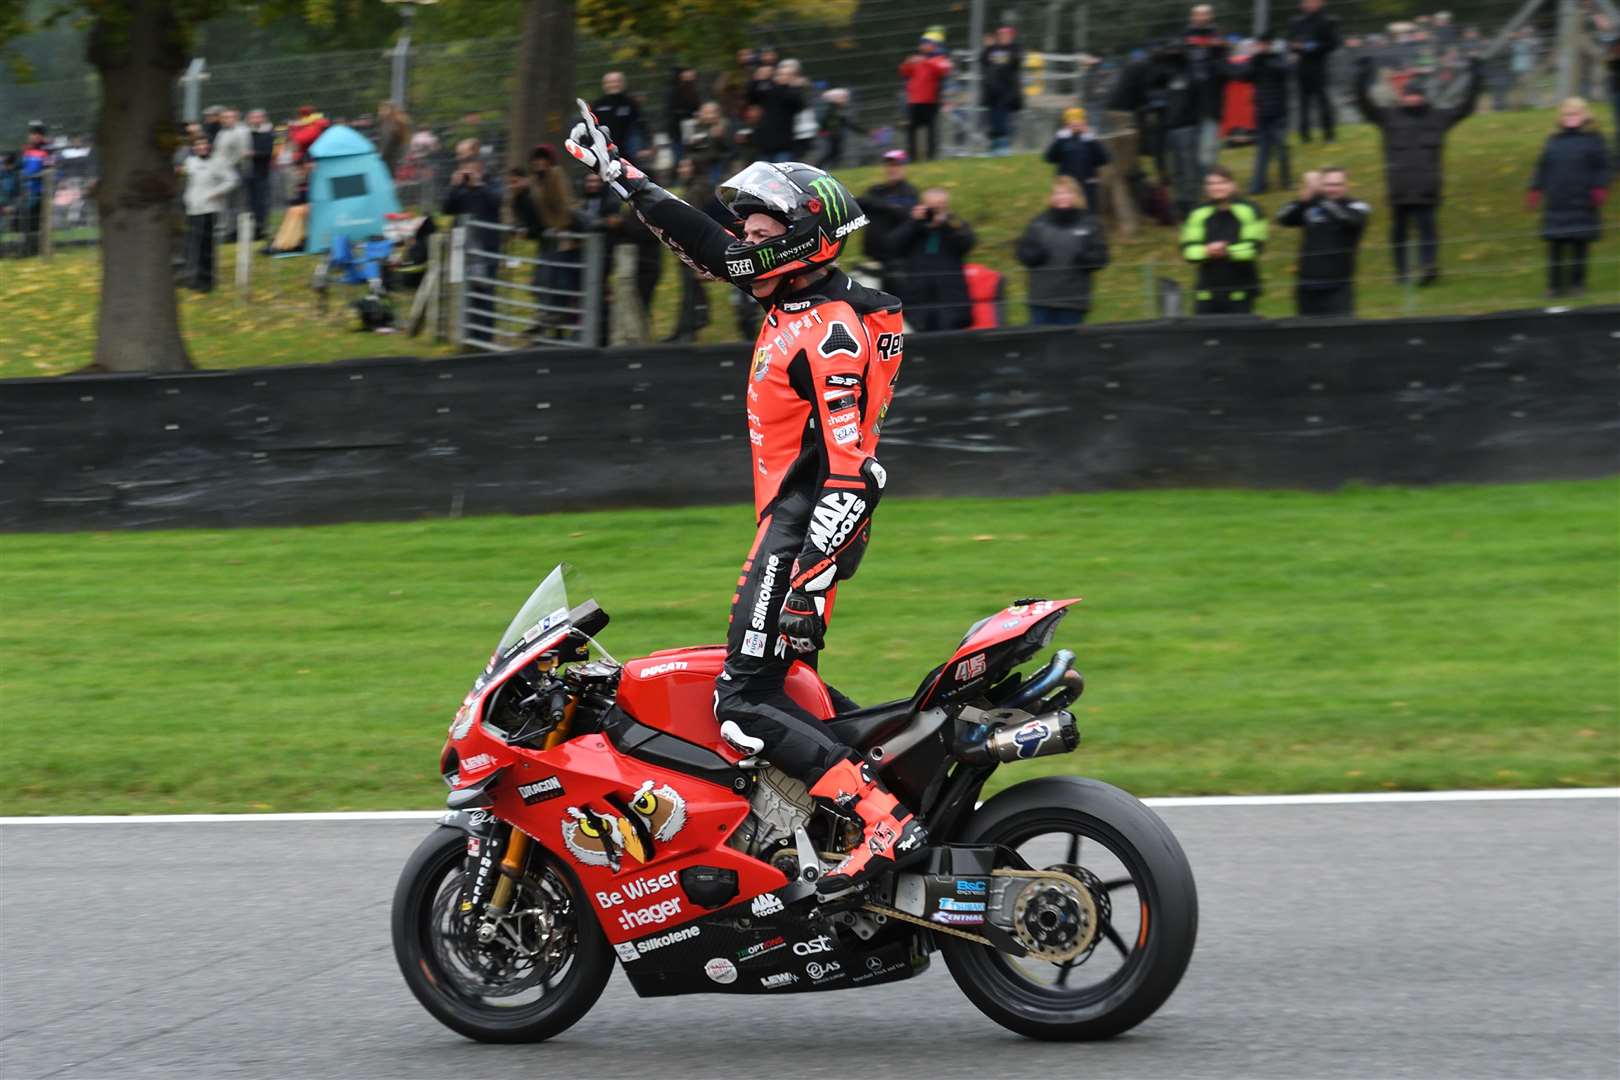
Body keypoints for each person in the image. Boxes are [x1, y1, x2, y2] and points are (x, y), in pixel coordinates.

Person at [565, 106, 924, 894]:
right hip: (803, 524)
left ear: (800, 240)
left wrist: (808, 578)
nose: (742, 247)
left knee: (743, 701)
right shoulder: (792, 294)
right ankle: (879, 799)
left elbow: (851, 470)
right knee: (797, 690)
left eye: (759, 233)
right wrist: (622, 175)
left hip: (808, 526)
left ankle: (883, 823)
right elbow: (705, 244)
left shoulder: (827, 332)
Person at [1355, 55, 1481, 286]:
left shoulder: (1438, 118)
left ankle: (1429, 266)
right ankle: (1401, 273)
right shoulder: (1388, 117)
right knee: (1399, 234)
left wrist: (1477, 75)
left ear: (1423, 97)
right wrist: (1362, 75)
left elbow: (1467, 107)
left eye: (1416, 95)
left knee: (1428, 231)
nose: (1412, 99)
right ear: (1403, 97)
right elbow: (1364, 103)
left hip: (1426, 190)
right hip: (1399, 190)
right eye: (1409, 95)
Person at [1527, 98, 1611, 299]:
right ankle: (1553, 287)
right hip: (1557, 203)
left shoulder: (1594, 140)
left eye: (1575, 114)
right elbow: (1542, 166)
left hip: (1583, 202)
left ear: (1585, 116)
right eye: (1567, 114)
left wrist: (1600, 187)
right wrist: (1535, 189)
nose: (1571, 118)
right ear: (1561, 118)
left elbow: (1604, 167)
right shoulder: (1553, 141)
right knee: (1555, 248)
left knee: (1579, 247)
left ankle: (1577, 285)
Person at [1015, 176, 1110, 326]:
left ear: (1076, 196)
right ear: (1052, 197)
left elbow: (1102, 256)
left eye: (1067, 193)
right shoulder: (1038, 222)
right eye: (1058, 193)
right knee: (1040, 345)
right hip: (1041, 299)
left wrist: (1086, 259)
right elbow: (1022, 252)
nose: (1062, 197)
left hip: (1073, 301)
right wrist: (1033, 256)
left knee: (1068, 347)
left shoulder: (1090, 223)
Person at [1276, 167, 1370, 316]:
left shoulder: (1356, 206)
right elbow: (1282, 218)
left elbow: (1346, 220)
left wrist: (1320, 196)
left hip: (1338, 286)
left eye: (1337, 185)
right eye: (1327, 185)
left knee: (1341, 335)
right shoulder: (1310, 205)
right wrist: (1303, 200)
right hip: (1306, 285)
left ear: (1346, 186)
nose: (1332, 189)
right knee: (1307, 335)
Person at [510, 144, 582, 336]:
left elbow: (564, 203)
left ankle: (556, 323)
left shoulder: (555, 175)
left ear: (549, 161)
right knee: (543, 280)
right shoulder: (536, 180)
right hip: (548, 236)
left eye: (543, 158)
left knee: (559, 280)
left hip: (563, 234)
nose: (539, 162)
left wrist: (563, 230)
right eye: (537, 159)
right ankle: (546, 322)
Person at [888, 185, 976, 331]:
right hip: (919, 307)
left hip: (951, 305)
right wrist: (913, 222)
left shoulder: (954, 226)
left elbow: (967, 242)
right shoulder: (914, 229)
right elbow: (891, 246)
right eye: (931, 208)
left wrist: (946, 223)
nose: (935, 212)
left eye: (940, 207)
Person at [1180, 165, 1267, 314]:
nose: (1216, 187)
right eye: (1211, 184)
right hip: (1206, 294)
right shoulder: (1197, 213)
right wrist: (1207, 251)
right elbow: (1188, 251)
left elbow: (1254, 247)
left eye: (1221, 182)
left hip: (1241, 293)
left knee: (1238, 337)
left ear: (1232, 185)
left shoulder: (1251, 210)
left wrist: (1226, 251)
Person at [443, 139, 504, 346]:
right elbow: (446, 209)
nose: (462, 163)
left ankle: (485, 339)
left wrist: (478, 184)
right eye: (460, 159)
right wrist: (454, 187)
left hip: (487, 248)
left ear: (478, 160)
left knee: (485, 295)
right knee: (466, 294)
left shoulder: (491, 181)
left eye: (466, 158)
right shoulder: (460, 184)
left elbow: (498, 202)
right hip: (465, 248)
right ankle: (469, 338)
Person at [1231, 32, 1292, 194]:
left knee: (1282, 148)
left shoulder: (1278, 58)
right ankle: (1258, 185)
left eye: (1265, 44)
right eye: (1260, 44)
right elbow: (1242, 76)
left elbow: (1286, 70)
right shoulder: (1255, 61)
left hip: (1278, 111)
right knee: (1263, 150)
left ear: (1270, 45)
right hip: (1262, 111)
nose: (1262, 47)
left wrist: (1266, 59)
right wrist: (1254, 61)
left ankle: (1286, 181)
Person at [180, 135, 237, 292]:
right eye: (198, 145)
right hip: (193, 209)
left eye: (204, 144)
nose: (201, 147)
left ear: (209, 146)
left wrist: (215, 192)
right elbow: (187, 181)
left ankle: (208, 281)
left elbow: (232, 180)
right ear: (194, 147)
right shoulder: (190, 162)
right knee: (193, 246)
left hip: (209, 210)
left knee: (207, 247)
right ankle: (194, 277)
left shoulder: (217, 162)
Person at [860, 149, 920, 294]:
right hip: (873, 259)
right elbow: (859, 203)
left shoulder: (910, 192)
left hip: (898, 262)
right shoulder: (877, 190)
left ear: (904, 167)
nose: (893, 169)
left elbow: (905, 214)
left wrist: (879, 205)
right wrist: (886, 206)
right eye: (890, 165)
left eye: (897, 165)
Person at [1182, 4, 1228, 169]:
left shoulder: (1218, 36)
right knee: (1194, 145)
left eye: (1205, 14)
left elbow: (1225, 65)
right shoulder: (1185, 36)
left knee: (1209, 147)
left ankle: (1211, 175)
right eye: (1198, 15)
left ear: (1211, 16)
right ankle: (1205, 176)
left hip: (1212, 99)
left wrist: (1217, 47)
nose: (1201, 18)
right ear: (1192, 17)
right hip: (1191, 102)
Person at [1288, 0, 1341, 142]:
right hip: (1302, 67)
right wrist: (1296, 47)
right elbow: (1291, 44)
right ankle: (1304, 135)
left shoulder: (1327, 21)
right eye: (1305, 2)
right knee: (1303, 103)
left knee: (1323, 101)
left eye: (1312, 2)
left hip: (1319, 66)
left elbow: (1334, 43)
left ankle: (1329, 134)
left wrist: (1310, 47)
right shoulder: (1296, 22)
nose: (1308, 4)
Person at [1043, 107, 1111, 214]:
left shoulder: (1090, 140)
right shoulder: (1062, 140)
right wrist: (1058, 140)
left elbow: (1104, 159)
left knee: (1088, 210)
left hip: (1087, 183)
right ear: (1066, 125)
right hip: (1067, 183)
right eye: (1072, 124)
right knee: (1068, 207)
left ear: (1084, 123)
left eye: (1079, 123)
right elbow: (1049, 158)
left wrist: (1092, 141)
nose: (1076, 126)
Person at [899, 32, 953, 161]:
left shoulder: (940, 59)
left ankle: (931, 156)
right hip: (914, 101)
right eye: (922, 43)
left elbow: (943, 70)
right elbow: (903, 72)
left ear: (934, 45)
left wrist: (925, 62)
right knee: (911, 130)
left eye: (925, 43)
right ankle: (912, 157)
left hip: (930, 101)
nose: (922, 46)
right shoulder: (917, 60)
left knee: (931, 130)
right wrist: (907, 63)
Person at [980, 25, 1025, 155]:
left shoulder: (1016, 48)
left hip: (1008, 92)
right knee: (992, 120)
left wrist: (1000, 55)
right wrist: (988, 47)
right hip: (992, 91)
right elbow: (983, 60)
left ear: (1011, 36)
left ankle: (1004, 147)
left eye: (1006, 35)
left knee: (1003, 119)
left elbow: (1015, 60)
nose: (1003, 37)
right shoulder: (992, 48)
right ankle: (994, 147)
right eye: (1001, 35)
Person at [753, 59, 808, 163]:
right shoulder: (769, 90)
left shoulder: (793, 92)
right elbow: (752, 96)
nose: (784, 77)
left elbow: (799, 104)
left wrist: (791, 86)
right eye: (781, 74)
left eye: (788, 74)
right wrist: (758, 79)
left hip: (784, 144)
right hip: (765, 142)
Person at [592, 72, 646, 159]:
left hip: (628, 153)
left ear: (623, 83)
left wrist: (642, 147)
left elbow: (640, 126)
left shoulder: (630, 104)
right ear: (604, 85)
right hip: (605, 152)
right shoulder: (598, 105)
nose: (613, 84)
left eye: (616, 81)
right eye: (610, 82)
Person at [18, 121, 50, 256]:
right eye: (31, 133)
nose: (33, 136)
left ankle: (37, 250)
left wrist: (35, 176)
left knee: (37, 222)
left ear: (42, 135)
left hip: (40, 192)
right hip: (26, 191)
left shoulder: (47, 150)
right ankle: (26, 249)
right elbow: (22, 167)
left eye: (36, 133)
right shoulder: (26, 150)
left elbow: (49, 170)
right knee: (25, 221)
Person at [245, 109, 275, 241]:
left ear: (263, 119)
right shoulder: (246, 133)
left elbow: (268, 152)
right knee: (250, 202)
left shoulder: (268, 133)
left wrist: (254, 153)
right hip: (247, 173)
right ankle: (252, 229)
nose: (256, 120)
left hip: (261, 173)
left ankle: (261, 228)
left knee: (261, 202)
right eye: (253, 117)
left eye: (258, 117)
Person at [377, 101, 412, 177]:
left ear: (388, 111)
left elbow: (386, 145)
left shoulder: (389, 126)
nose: (380, 112)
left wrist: (379, 157)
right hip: (395, 160)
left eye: (382, 109)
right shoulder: (398, 125)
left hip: (387, 161)